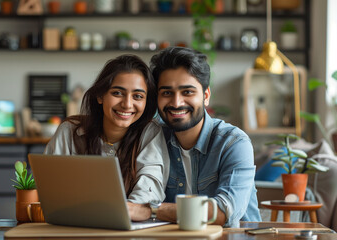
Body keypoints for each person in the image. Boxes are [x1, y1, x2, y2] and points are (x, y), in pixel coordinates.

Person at [145, 47, 261, 227]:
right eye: (167, 93)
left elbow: (224, 211)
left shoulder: (233, 142)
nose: (176, 103)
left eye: (187, 92)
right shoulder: (153, 140)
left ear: (206, 96)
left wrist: (151, 210)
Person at [44, 54, 166, 221]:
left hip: (130, 228)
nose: (127, 104)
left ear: (146, 103)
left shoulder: (150, 132)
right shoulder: (69, 131)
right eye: (117, 93)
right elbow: (51, 187)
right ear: (100, 96)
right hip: (74, 226)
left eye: (138, 96)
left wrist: (122, 215)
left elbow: (150, 189)